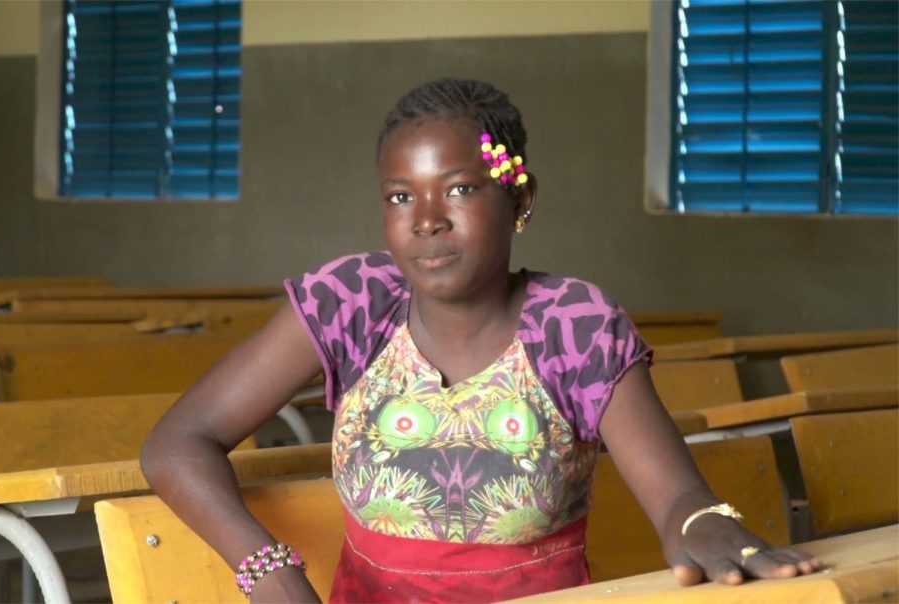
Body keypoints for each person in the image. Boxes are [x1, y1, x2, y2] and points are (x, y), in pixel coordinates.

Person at [141, 78, 821, 603]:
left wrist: (702, 521)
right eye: (401, 197)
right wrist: (268, 571)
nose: (427, 221)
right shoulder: (352, 302)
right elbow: (178, 443)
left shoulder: (573, 324)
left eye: (460, 188)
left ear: (519, 198)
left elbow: (676, 495)